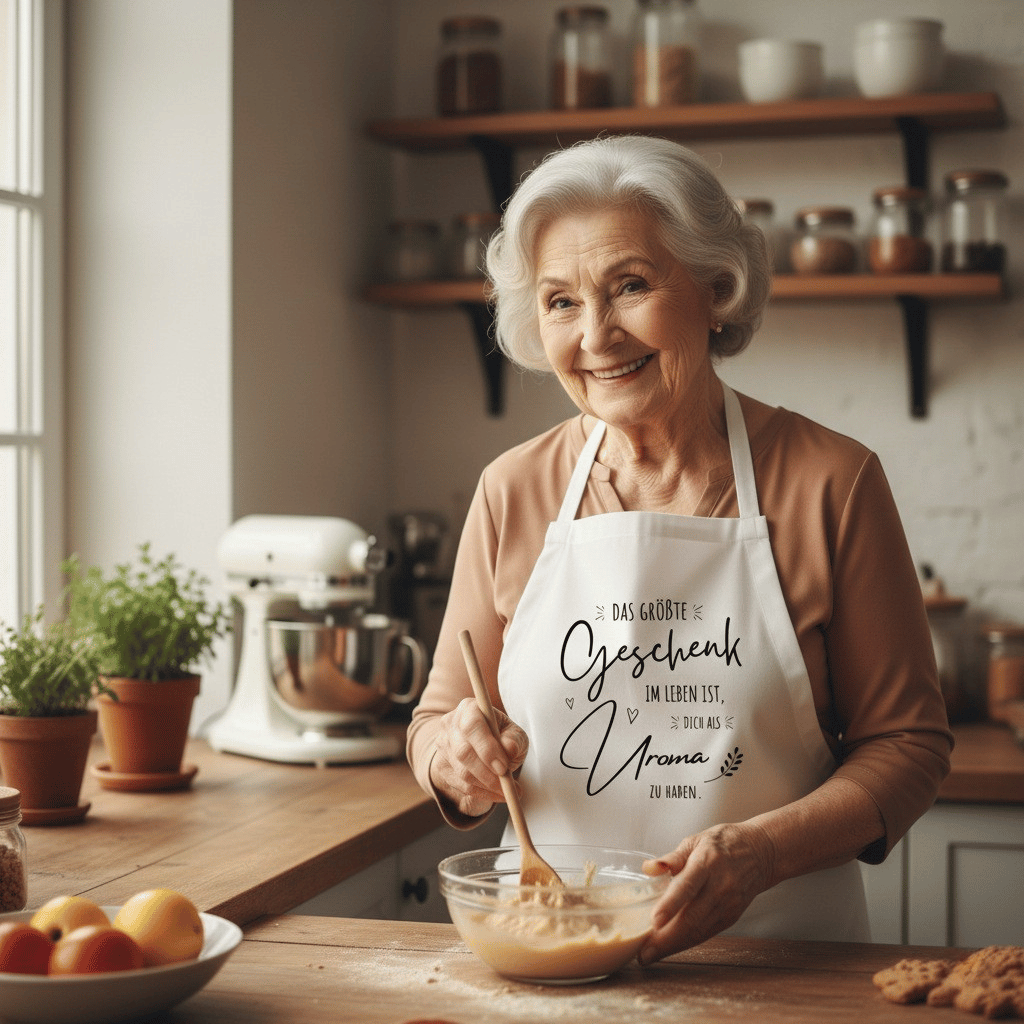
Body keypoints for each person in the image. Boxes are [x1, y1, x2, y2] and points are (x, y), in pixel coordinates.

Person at [406, 135, 952, 964]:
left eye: (630, 286)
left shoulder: (832, 481)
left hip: (781, 963)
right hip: (551, 950)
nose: (596, 334)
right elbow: (433, 722)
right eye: (560, 301)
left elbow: (909, 746)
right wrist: (453, 756)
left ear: (713, 288)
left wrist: (761, 853)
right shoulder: (511, 489)